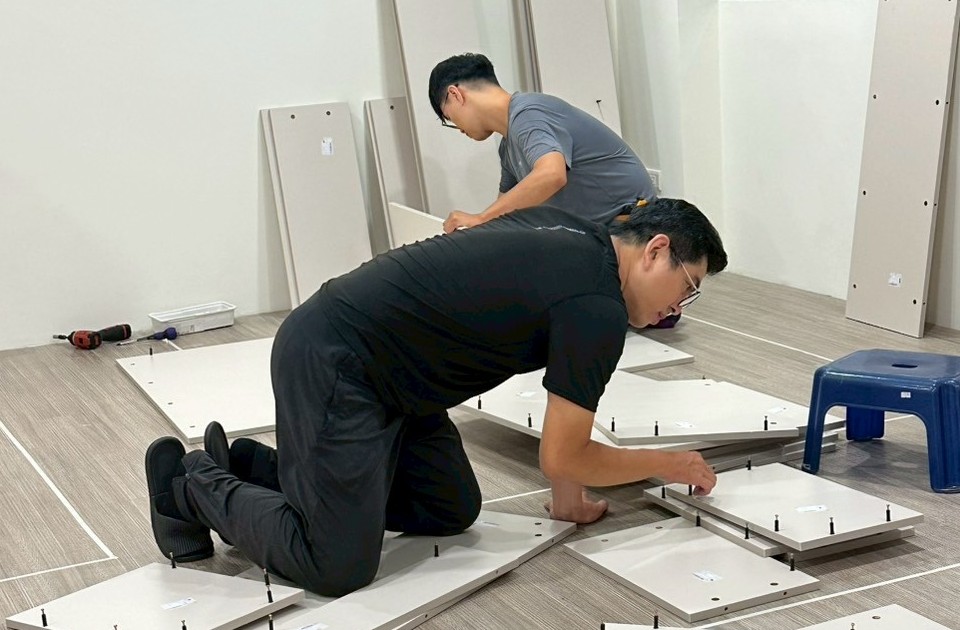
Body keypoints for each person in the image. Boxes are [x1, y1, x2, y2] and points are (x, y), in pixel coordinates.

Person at [145, 198, 727, 596]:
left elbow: (566, 420)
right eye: (688, 287)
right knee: (336, 565)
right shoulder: (596, 307)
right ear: (655, 250)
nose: (677, 306)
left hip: (400, 382)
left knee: (449, 509)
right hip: (340, 362)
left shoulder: (574, 238)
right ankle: (186, 483)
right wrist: (668, 464)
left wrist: (569, 504)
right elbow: (562, 455)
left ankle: (249, 467)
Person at [428, 53, 657, 234]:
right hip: (601, 233)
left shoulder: (528, 113)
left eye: (450, 118)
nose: (459, 129)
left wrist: (480, 219)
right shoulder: (508, 147)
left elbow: (552, 175)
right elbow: (506, 212)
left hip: (634, 227)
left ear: (456, 95)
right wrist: (480, 225)